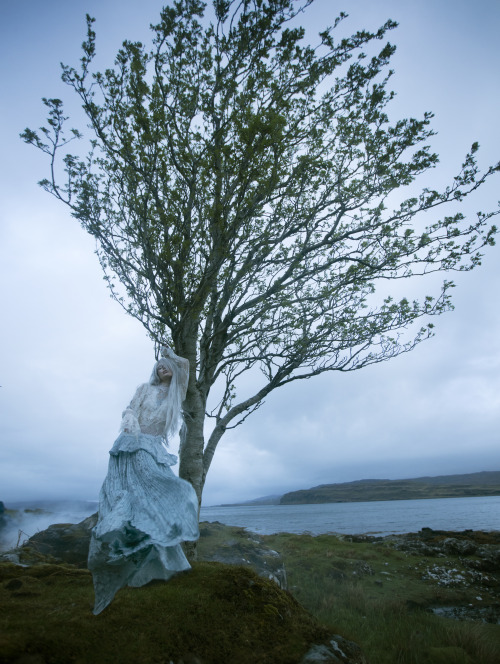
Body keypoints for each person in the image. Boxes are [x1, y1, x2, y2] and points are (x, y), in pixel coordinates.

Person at [88, 346, 199, 615]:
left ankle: (153, 561)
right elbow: (130, 409)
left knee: (160, 494)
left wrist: (171, 355)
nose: (162, 368)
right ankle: (125, 549)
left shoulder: (176, 394)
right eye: (159, 365)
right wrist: (129, 421)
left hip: (152, 447)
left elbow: (185, 366)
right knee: (129, 497)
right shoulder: (144, 388)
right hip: (130, 443)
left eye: (166, 366)